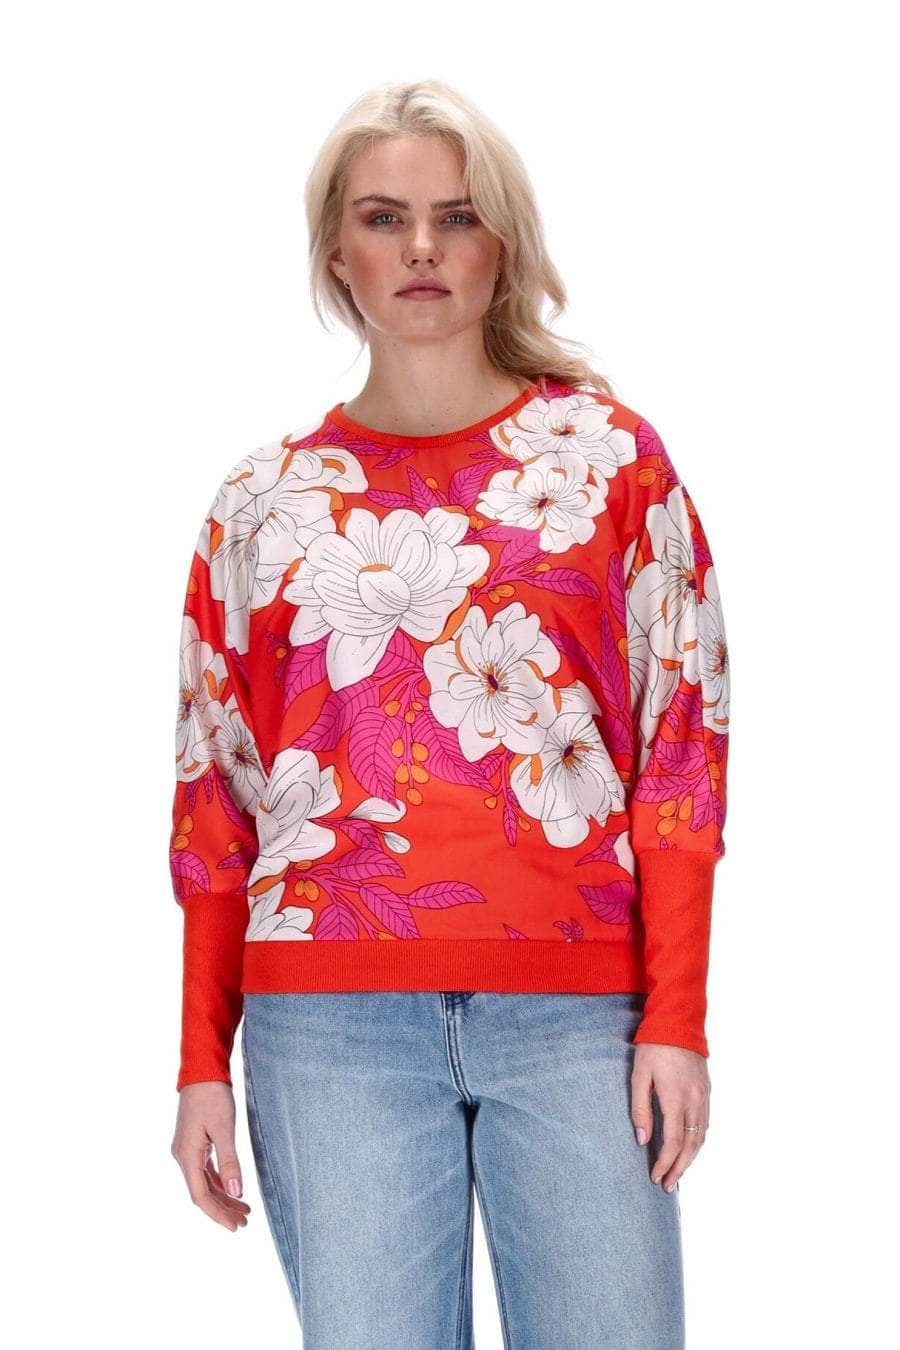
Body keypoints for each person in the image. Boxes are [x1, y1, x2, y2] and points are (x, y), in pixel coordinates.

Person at [169, 78, 731, 1350]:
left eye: (458, 217)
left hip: (578, 1014)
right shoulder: (261, 505)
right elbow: (216, 795)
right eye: (385, 217)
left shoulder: (610, 466)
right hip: (328, 1024)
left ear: (502, 246)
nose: (422, 247)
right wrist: (202, 1057)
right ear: (338, 253)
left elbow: (682, 751)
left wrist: (678, 1017)